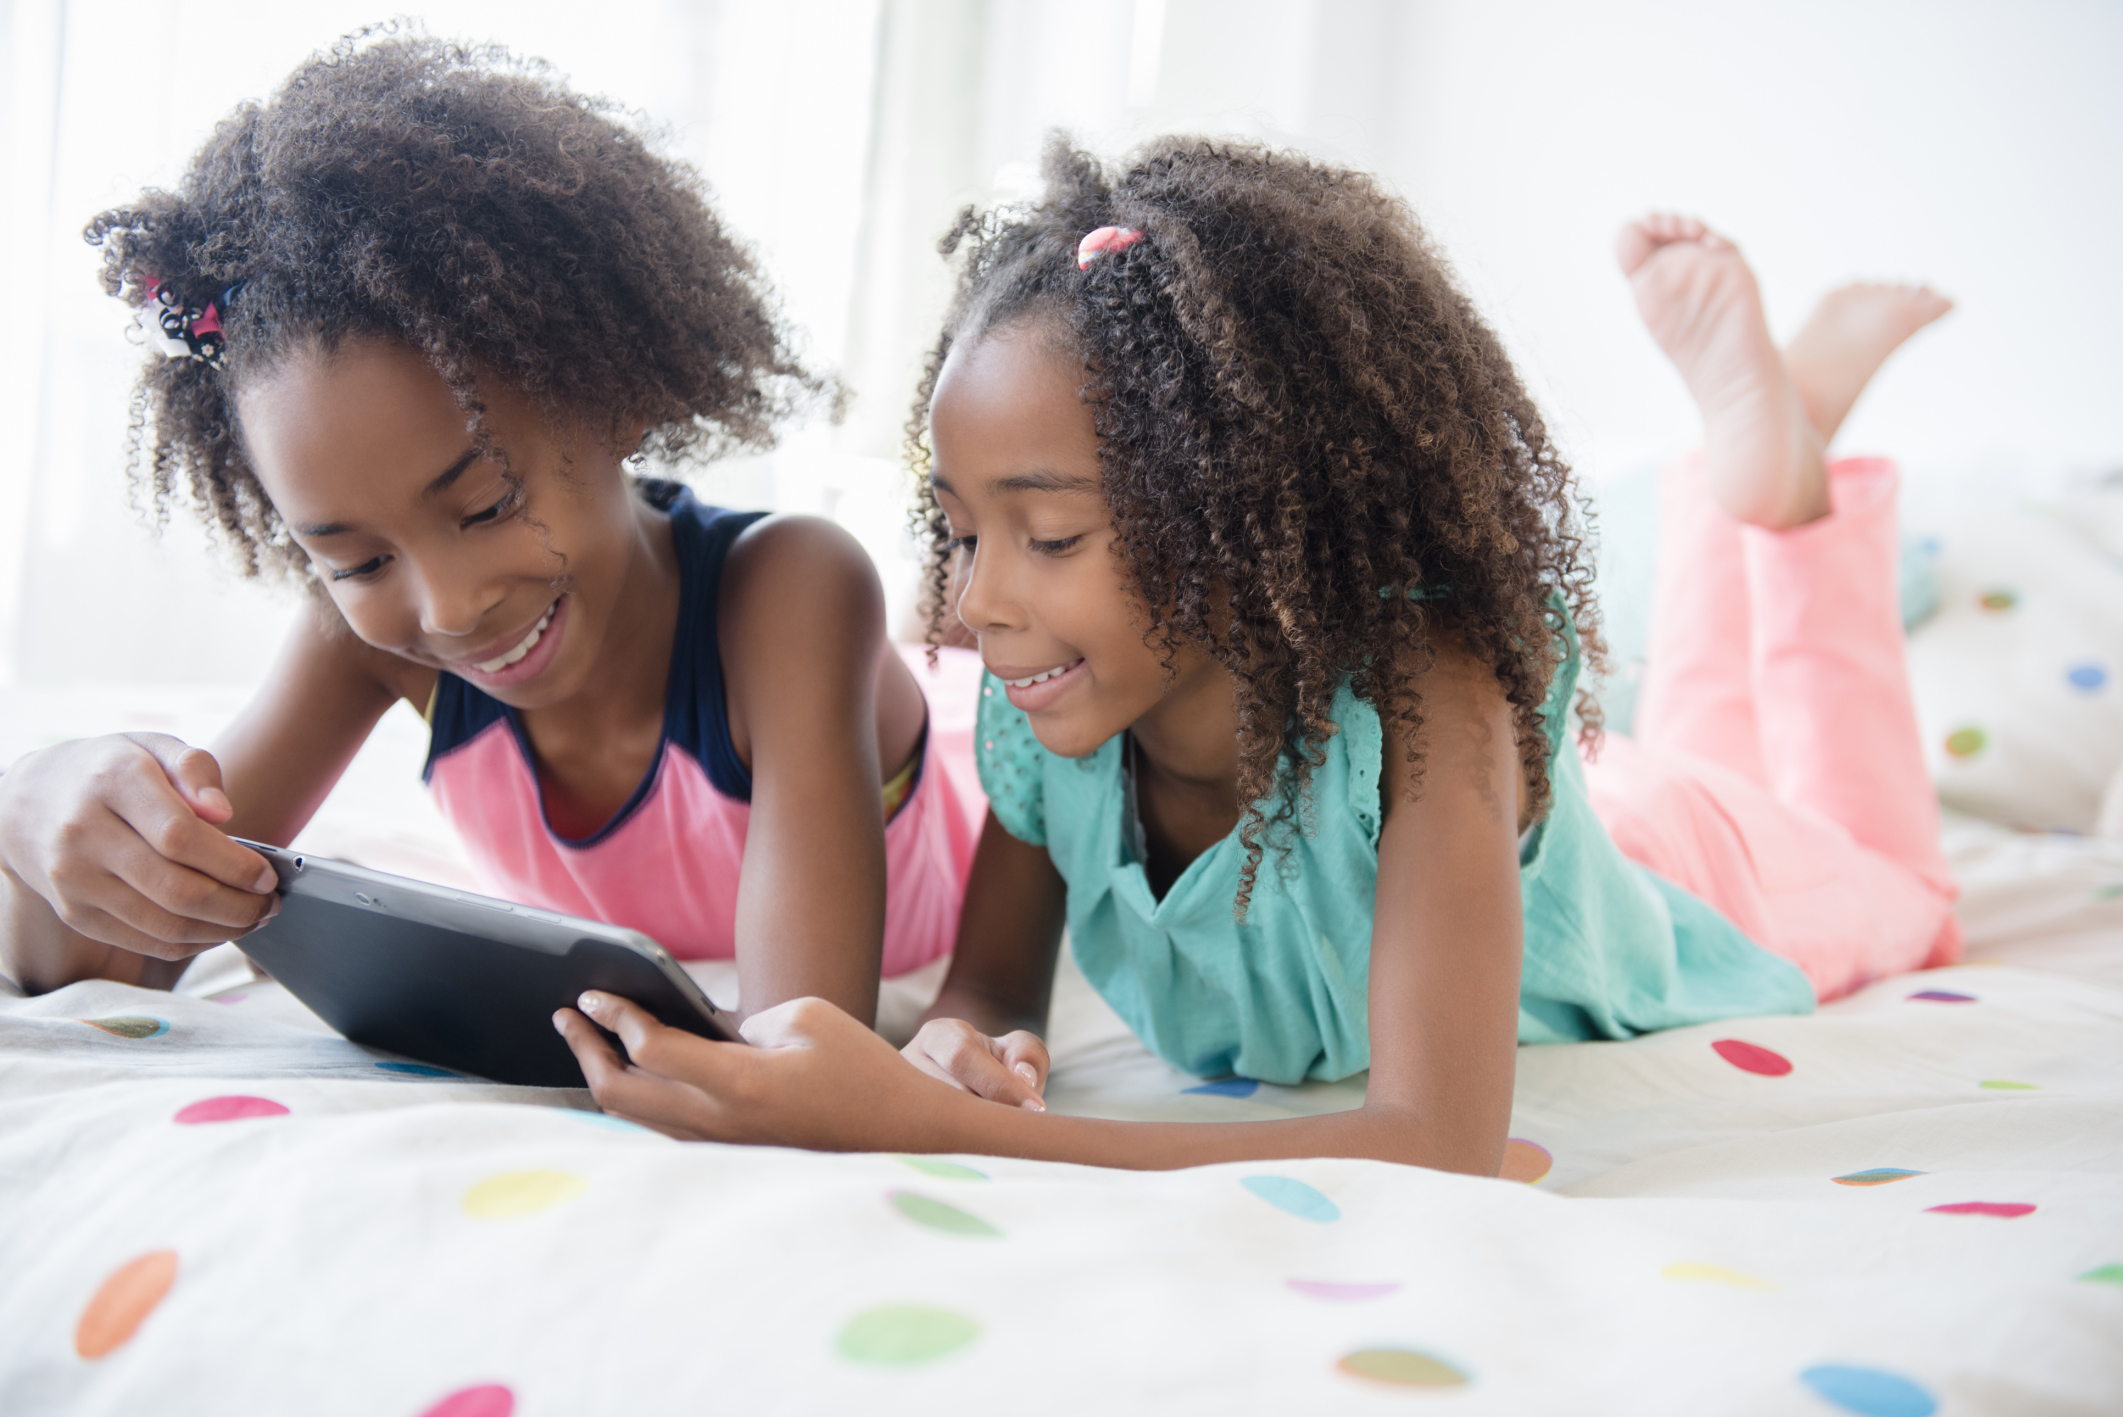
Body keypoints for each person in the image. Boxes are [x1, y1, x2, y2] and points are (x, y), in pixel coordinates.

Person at [566, 137, 1956, 1174]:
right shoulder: (1051, 721)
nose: (969, 604)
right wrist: (960, 1043)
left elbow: (1435, 1145)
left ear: (1248, 522)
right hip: (1581, 812)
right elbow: (990, 984)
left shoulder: (1434, 697)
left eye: (1044, 536)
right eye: (958, 530)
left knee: (1884, 871)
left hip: (1680, 878)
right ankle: (1754, 474)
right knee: (1698, 736)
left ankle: (1776, 501)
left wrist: (916, 1124)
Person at [0, 32, 982, 1025]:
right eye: (356, 557)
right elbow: (100, 963)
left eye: (486, 506)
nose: (450, 606)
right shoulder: (364, 641)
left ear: (617, 396)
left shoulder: (791, 591)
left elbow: (802, 1045)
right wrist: (32, 811)